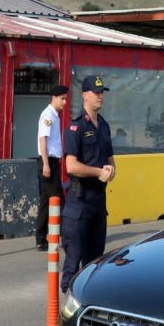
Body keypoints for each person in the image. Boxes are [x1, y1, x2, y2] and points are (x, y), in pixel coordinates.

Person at [61, 75, 116, 294]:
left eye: (102, 92)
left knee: (95, 265)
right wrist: (97, 172)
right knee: (73, 265)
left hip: (98, 203)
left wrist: (111, 171)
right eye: (96, 92)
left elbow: (110, 158)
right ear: (85, 95)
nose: (100, 96)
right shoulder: (76, 127)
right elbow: (71, 166)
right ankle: (64, 316)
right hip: (79, 203)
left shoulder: (104, 126)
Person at [35, 84, 67, 251]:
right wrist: (46, 163)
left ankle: (41, 239)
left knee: (46, 203)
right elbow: (43, 139)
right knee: (58, 200)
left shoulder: (54, 115)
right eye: (62, 99)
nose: (64, 102)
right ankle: (66, 236)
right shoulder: (48, 115)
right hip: (48, 162)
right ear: (54, 98)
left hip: (52, 162)